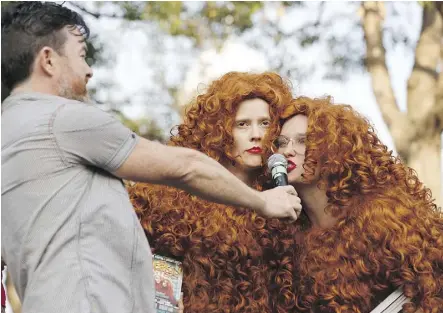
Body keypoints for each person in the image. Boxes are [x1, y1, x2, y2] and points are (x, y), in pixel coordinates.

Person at [0, 2, 301, 313]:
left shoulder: (10, 132)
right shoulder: (62, 118)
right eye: (81, 55)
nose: (89, 69)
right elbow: (186, 167)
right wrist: (265, 202)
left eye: (264, 124)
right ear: (48, 60)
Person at [129, 71, 302, 313]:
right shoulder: (169, 196)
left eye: (265, 123)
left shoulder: (286, 202)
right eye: (242, 124)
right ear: (218, 131)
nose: (257, 134)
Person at [273, 96, 443, 313]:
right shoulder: (288, 237)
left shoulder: (382, 216)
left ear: (333, 149)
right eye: (282, 142)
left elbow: (431, 284)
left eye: (303, 141)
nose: (288, 151)